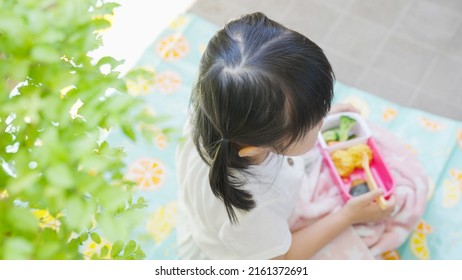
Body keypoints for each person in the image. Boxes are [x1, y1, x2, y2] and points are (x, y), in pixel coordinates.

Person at [175, 12, 395, 260]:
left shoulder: (214, 105)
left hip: (216, 222)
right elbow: (282, 261)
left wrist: (311, 115)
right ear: (255, 147)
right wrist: (348, 216)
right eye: (313, 121)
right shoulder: (255, 209)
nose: (323, 118)